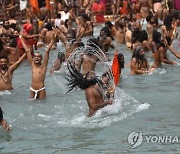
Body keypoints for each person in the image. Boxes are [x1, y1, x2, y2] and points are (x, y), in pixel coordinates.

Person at [19, 32, 56, 99]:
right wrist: (21, 39)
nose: (36, 58)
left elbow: (47, 51)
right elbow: (27, 51)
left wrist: (53, 40)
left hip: (41, 89)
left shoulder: (43, 66)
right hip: (32, 89)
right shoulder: (32, 64)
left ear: (41, 59)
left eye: (39, 57)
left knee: (41, 106)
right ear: (33, 58)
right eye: (35, 56)